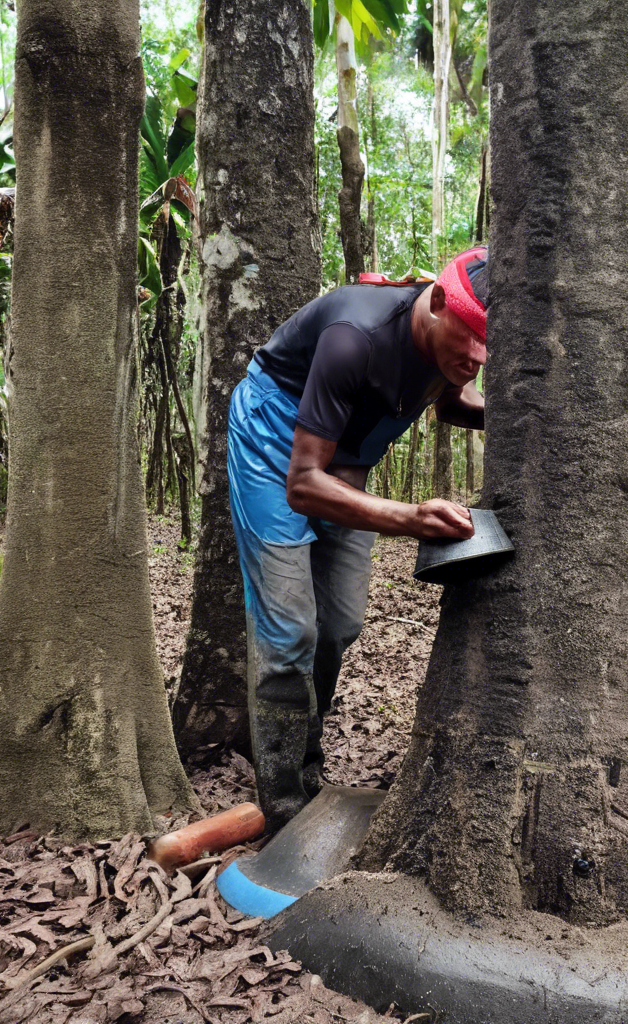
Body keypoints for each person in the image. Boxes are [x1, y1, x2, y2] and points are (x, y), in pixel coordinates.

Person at [227, 246, 489, 833]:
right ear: (440, 303)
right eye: (469, 336)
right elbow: (302, 484)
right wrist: (410, 519)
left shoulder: (450, 345)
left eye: (487, 343)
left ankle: (309, 767)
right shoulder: (355, 337)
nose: (478, 356)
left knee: (339, 624)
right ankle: (284, 804)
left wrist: (519, 413)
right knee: (290, 628)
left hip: (344, 458)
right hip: (280, 449)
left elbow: (451, 404)